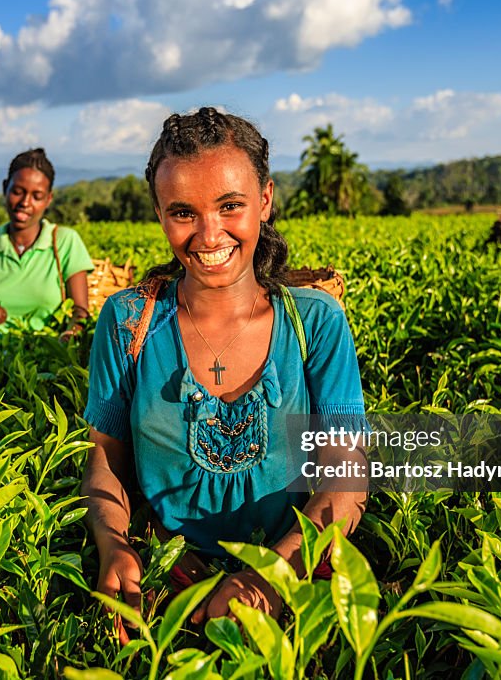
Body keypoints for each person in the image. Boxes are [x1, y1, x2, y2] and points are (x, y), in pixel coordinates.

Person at [82, 108, 368, 644]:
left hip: (297, 568)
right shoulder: (127, 322)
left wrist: (273, 576)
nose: (209, 234)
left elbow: (344, 476)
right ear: (160, 215)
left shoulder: (315, 321)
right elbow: (105, 461)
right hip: (166, 576)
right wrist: (113, 544)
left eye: (230, 205)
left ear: (265, 200)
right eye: (183, 212)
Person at [0, 148, 93, 340]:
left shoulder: (64, 241)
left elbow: (80, 311)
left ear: (48, 199)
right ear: (5, 188)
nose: (25, 202)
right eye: (17, 192)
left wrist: (69, 337)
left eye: (37, 196)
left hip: (52, 361)